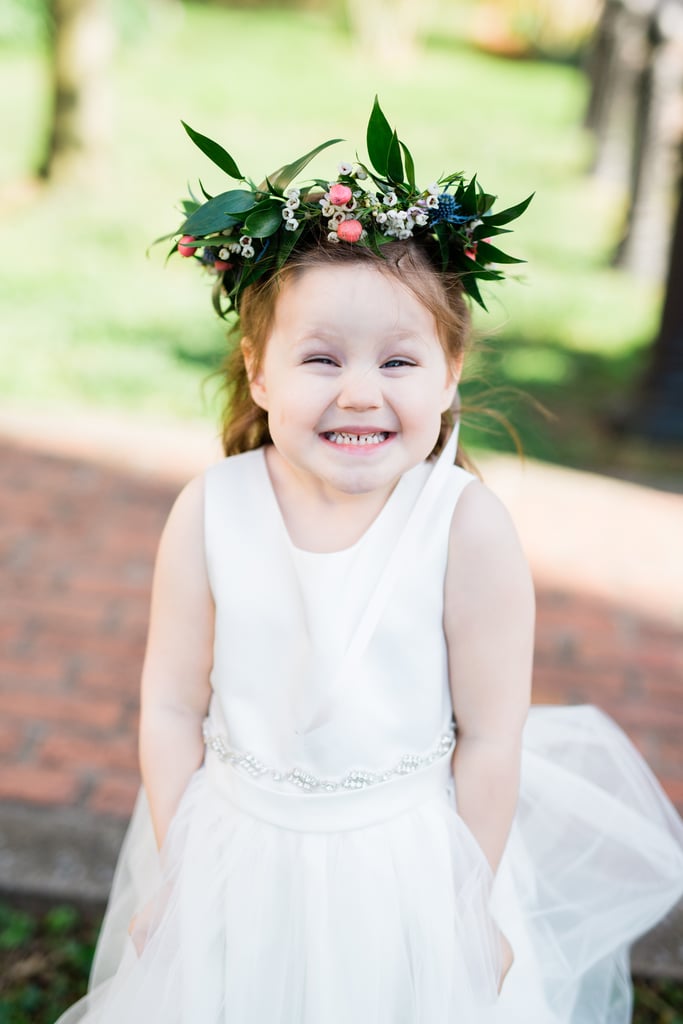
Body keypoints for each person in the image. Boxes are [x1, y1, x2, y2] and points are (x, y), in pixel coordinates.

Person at [56, 101, 683, 1024]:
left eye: (397, 361)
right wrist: (178, 871)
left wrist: (468, 903)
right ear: (259, 372)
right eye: (320, 358)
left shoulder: (463, 531)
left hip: (406, 866)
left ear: (448, 371)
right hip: (238, 851)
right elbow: (171, 703)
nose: (360, 392)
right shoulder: (213, 511)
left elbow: (489, 736)